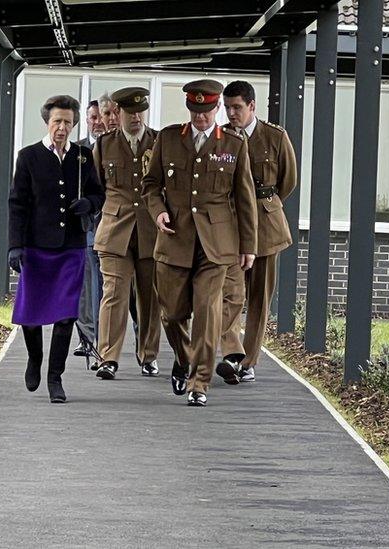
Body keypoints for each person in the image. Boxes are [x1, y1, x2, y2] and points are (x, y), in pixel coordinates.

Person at [141, 79, 257, 406]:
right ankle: (184, 357)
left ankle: (199, 382)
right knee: (172, 313)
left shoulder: (233, 144)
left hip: (216, 246)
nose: (200, 118)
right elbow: (150, 185)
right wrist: (159, 212)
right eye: (195, 111)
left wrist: (248, 246)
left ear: (216, 108)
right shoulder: (168, 139)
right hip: (176, 239)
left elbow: (245, 199)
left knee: (207, 312)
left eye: (206, 112)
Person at [8, 95, 104, 403]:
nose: (62, 128)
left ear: (75, 124)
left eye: (67, 122)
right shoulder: (29, 157)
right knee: (32, 315)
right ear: (47, 123)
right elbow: (17, 204)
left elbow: (98, 193)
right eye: (56, 122)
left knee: (65, 316)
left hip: (71, 248)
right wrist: (15, 245)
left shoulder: (83, 157)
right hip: (36, 248)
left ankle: (55, 377)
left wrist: (89, 203)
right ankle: (35, 359)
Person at [216, 81, 298, 385]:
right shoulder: (220, 137)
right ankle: (230, 353)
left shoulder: (275, 137)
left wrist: (265, 205)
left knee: (260, 297)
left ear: (252, 106)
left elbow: (287, 181)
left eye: (237, 107)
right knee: (229, 294)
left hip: (265, 225)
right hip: (230, 224)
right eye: (228, 107)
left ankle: (247, 361)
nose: (232, 113)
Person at [93, 86, 162, 380]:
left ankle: (148, 355)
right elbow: (96, 189)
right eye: (130, 112)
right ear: (118, 113)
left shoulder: (159, 142)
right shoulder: (104, 144)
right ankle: (108, 357)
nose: (136, 117)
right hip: (115, 230)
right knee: (114, 293)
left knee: (149, 297)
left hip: (151, 231)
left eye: (140, 111)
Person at [73, 100, 106, 360]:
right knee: (86, 289)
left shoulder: (116, 148)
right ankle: (87, 339)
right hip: (86, 228)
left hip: (114, 228)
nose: (97, 122)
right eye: (92, 117)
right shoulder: (78, 152)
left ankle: (108, 343)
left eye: (101, 117)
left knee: (112, 291)